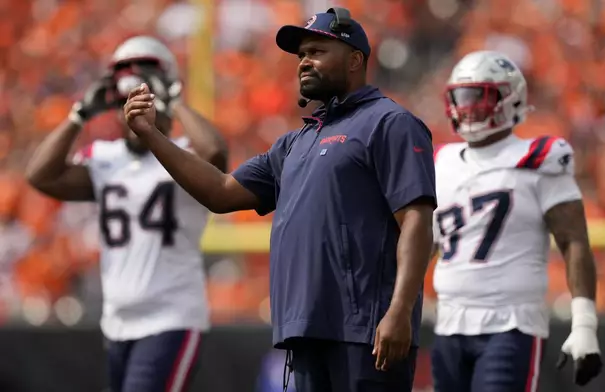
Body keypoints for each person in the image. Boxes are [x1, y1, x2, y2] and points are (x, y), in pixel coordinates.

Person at [123, 7, 436, 392]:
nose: (304, 61)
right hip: (304, 332)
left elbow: (417, 223)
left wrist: (400, 311)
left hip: (365, 334)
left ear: (356, 60)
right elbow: (220, 193)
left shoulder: (389, 123)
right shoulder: (294, 143)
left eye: (318, 51)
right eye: (302, 53)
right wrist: (152, 136)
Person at [25, 36, 228, 392]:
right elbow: (40, 175)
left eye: (144, 98)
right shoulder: (106, 157)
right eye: (127, 100)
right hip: (118, 323)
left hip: (170, 317)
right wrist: (79, 115)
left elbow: (215, 154)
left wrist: (173, 98)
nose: (132, 109)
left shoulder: (181, 156)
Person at [430, 50, 603, 391]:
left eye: (477, 95)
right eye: (459, 97)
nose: (465, 107)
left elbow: (573, 241)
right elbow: (424, 244)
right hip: (448, 324)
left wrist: (585, 323)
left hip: (511, 325)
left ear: (508, 97)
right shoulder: (441, 161)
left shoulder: (540, 158)